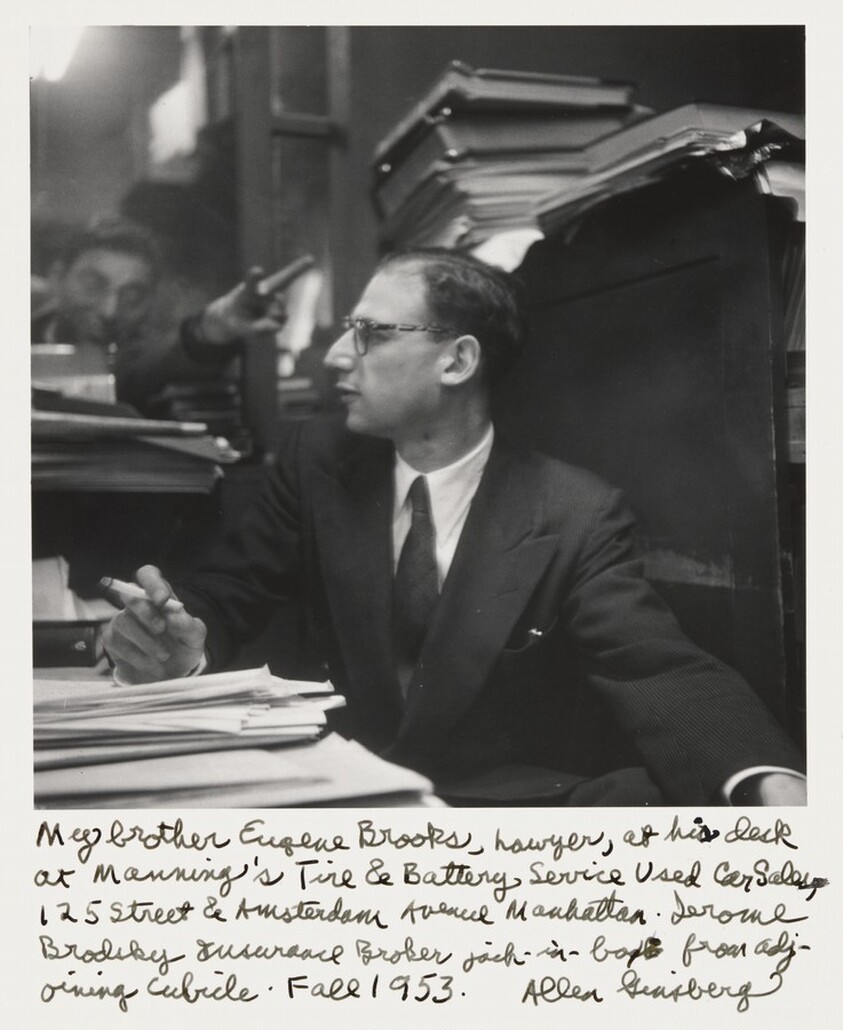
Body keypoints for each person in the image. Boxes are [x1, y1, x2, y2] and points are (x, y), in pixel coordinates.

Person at [102, 248, 806, 806]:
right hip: (336, 799)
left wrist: (766, 779)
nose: (336, 356)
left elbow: (653, 664)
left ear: (458, 360)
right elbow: (229, 592)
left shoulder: (574, 511)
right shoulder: (316, 463)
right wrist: (179, 647)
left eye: (370, 333)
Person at [31, 215, 287, 416]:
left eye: (132, 297)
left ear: (151, 299)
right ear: (57, 277)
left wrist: (216, 327)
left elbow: (158, 363)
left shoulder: (143, 358)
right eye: (93, 285)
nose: (110, 310)